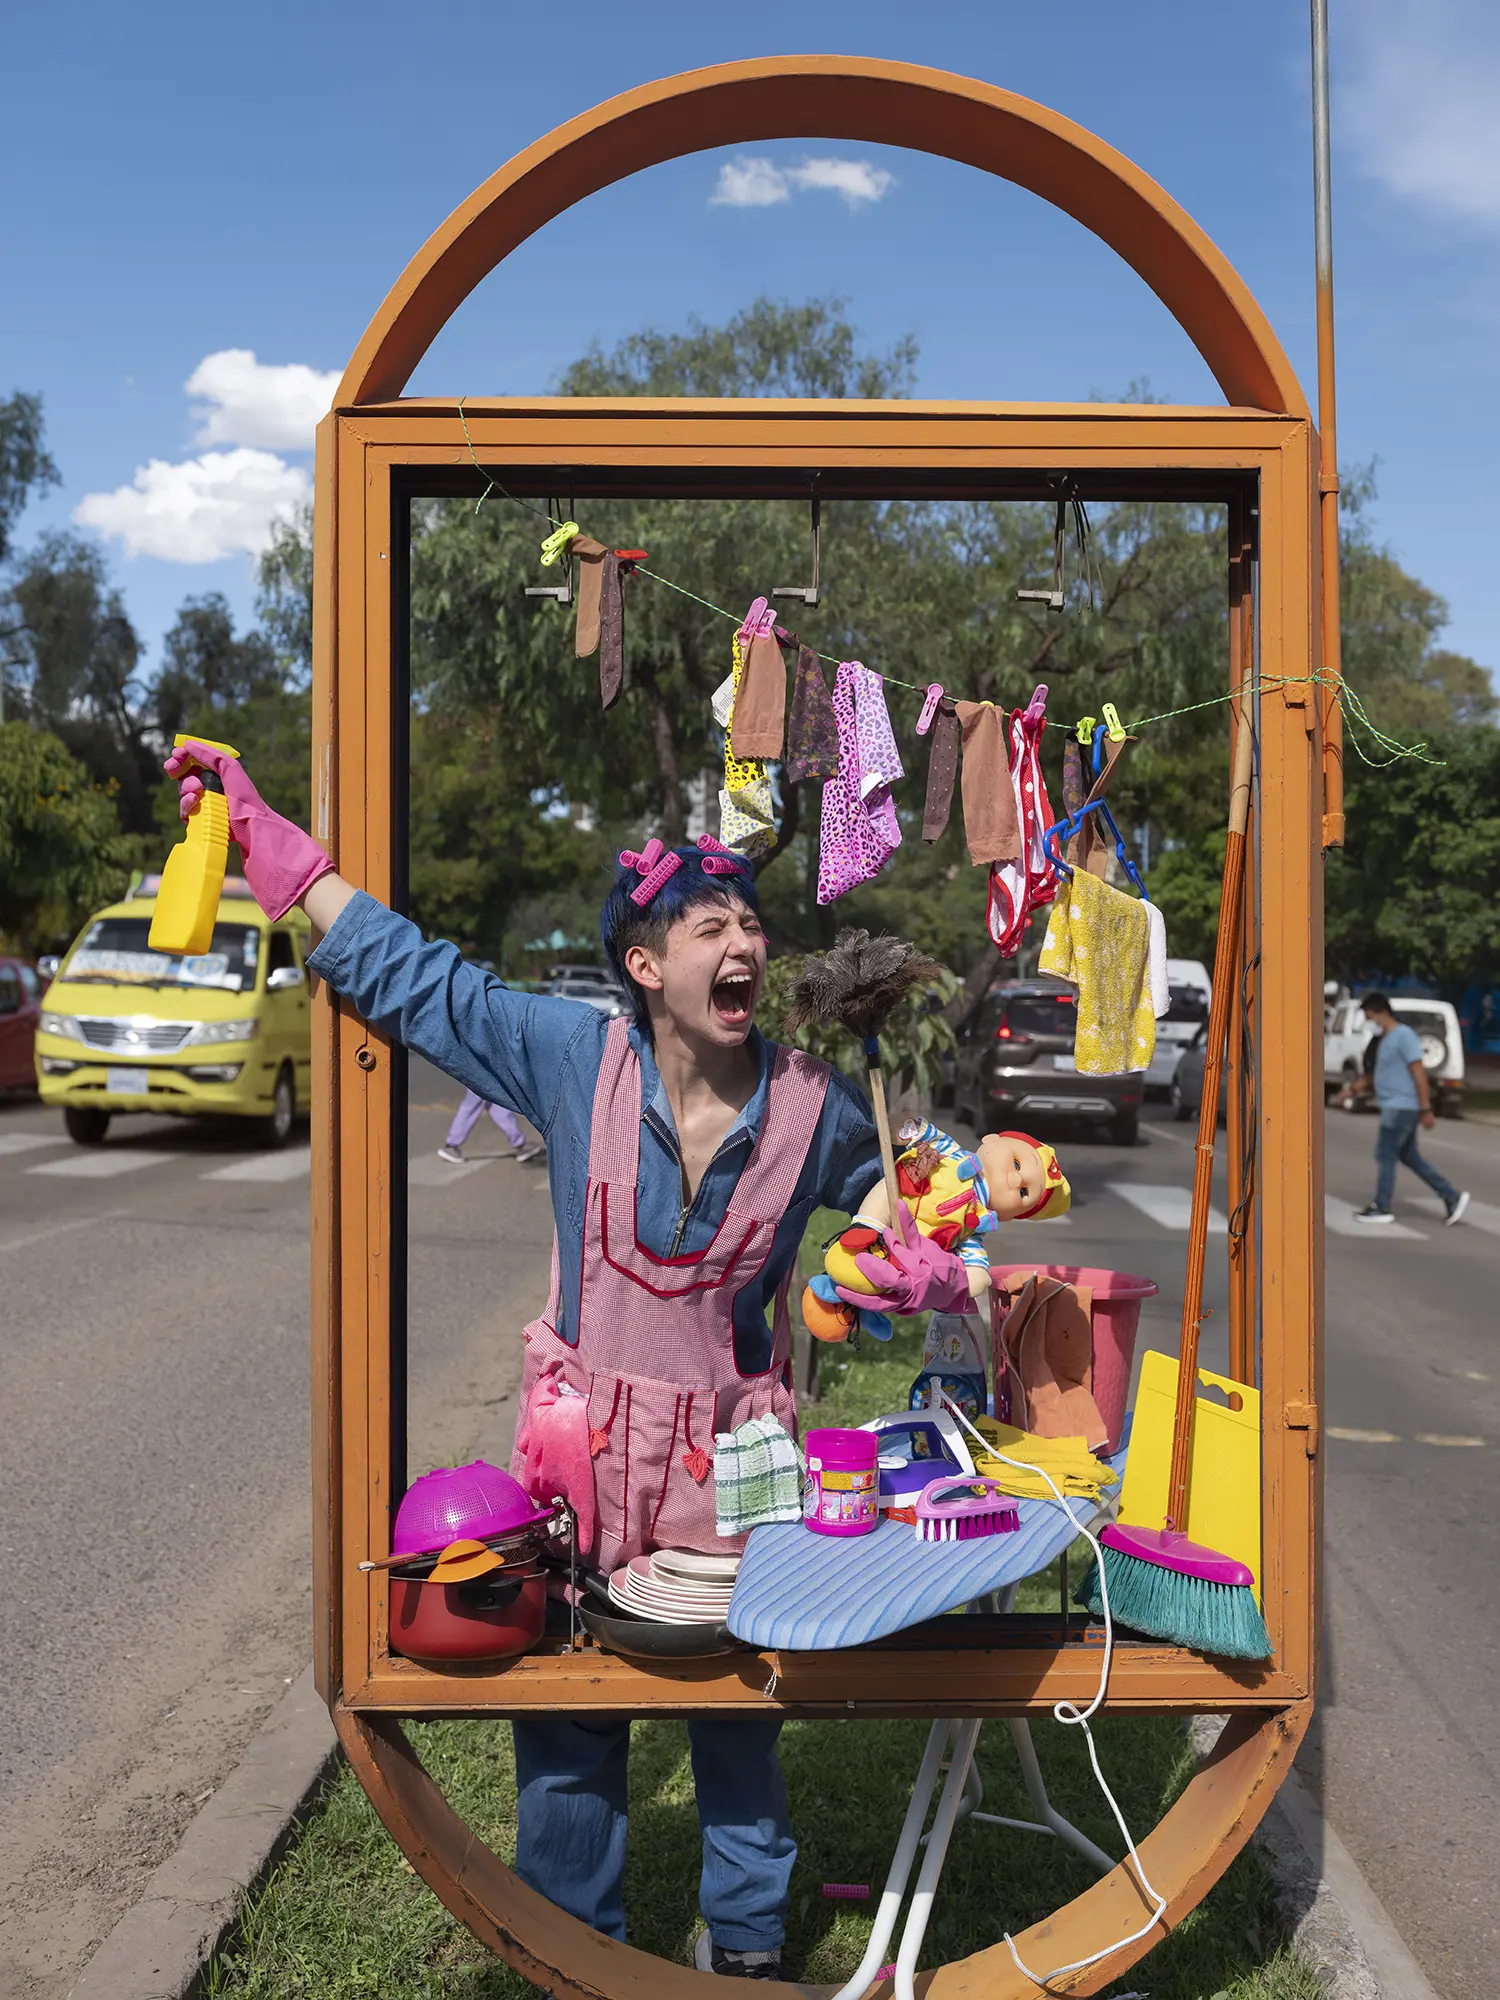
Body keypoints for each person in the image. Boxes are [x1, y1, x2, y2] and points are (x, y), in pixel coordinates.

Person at [164, 744, 971, 1979]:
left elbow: (924, 1210)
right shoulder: (570, 1055)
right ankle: (577, 1946)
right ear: (647, 966)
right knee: (569, 1702)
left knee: (746, 1701)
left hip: (736, 1460)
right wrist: (273, 845)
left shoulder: (820, 1103)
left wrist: (924, 1244)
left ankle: (747, 1945)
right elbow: (415, 977)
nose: (741, 937)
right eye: (710, 922)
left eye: (750, 918)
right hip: (579, 1452)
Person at [1350, 993, 1468, 1226]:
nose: (1369, 1022)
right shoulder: (1385, 1039)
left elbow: (1418, 1072)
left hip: (1400, 1107)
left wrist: (1425, 1108)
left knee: (1385, 1155)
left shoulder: (1404, 1036)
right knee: (1410, 1157)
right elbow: (1380, 1074)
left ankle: (1381, 1206)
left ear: (1381, 1012)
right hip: (1395, 1105)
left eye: (1370, 1016)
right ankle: (1451, 1196)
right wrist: (1353, 1090)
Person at [438, 1087, 544, 1165]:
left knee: (497, 1104)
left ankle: (520, 1143)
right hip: (480, 1066)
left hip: (483, 1065)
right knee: (472, 1105)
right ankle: (452, 1145)